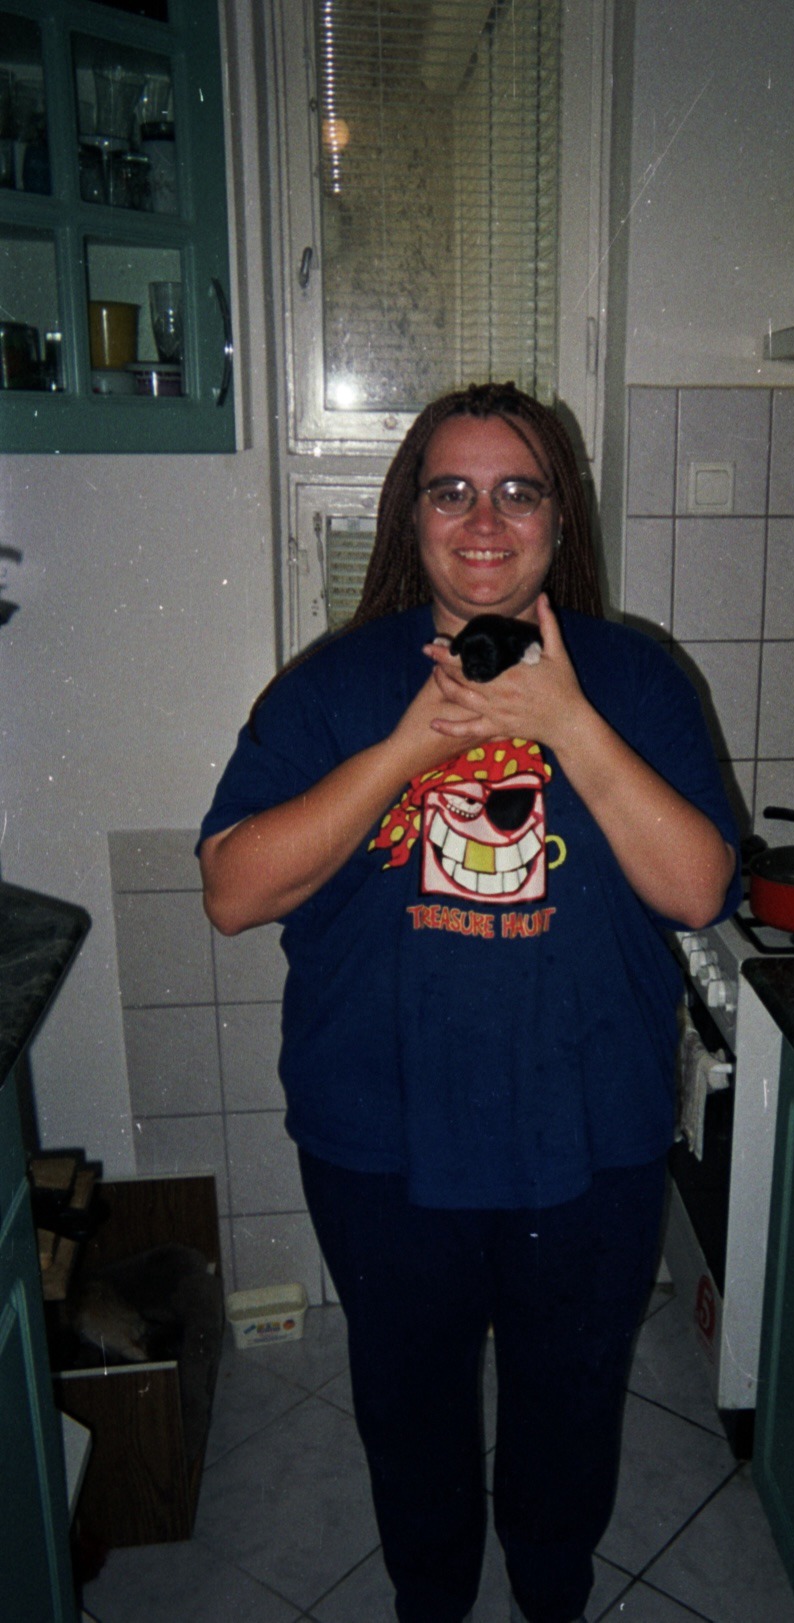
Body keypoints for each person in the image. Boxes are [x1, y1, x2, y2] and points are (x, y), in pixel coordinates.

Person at [199, 381, 740, 1623]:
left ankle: (552, 1598)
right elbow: (232, 892)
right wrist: (409, 747)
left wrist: (565, 721)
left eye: (518, 490)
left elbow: (701, 888)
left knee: (570, 1409)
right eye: (452, 490)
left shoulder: (636, 679)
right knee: (409, 1413)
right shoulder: (332, 686)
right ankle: (430, 1605)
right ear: (411, 517)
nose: (483, 520)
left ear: (561, 520)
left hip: (587, 1139)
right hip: (381, 1142)